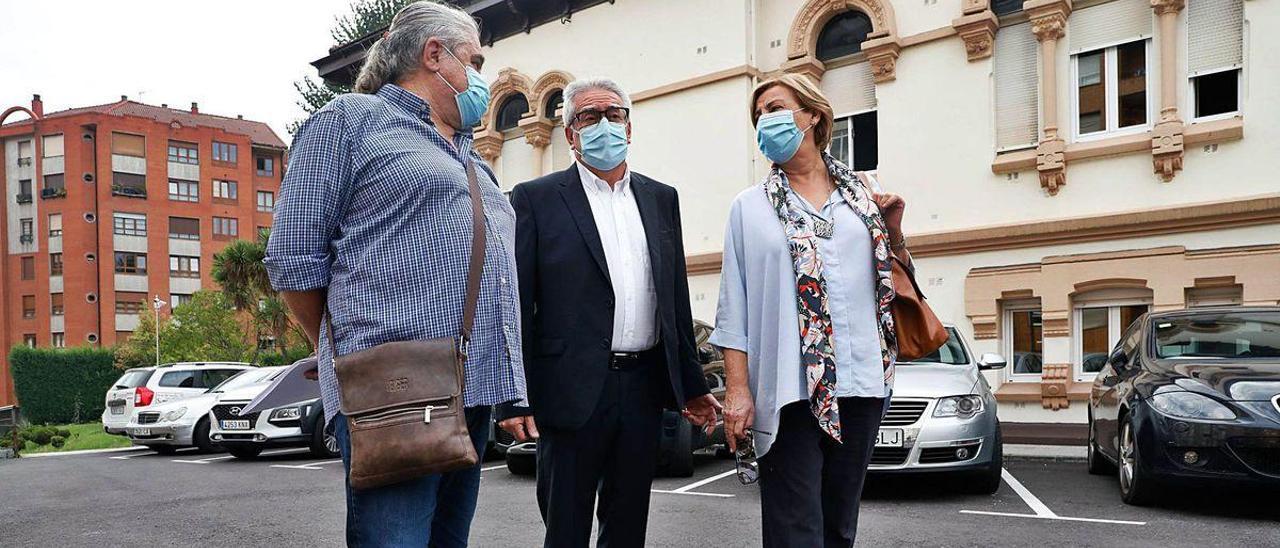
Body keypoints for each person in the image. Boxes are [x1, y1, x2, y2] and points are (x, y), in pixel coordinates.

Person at [263, 2, 526, 546]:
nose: (481, 77)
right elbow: (293, 261)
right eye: (474, 61)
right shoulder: (349, 123)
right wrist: (349, 358)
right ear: (436, 55)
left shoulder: (469, 155)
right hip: (394, 392)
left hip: (470, 390)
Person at [495, 77, 721, 548]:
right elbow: (515, 301)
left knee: (627, 525)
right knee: (566, 527)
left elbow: (674, 301)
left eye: (613, 115)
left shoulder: (662, 198)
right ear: (571, 135)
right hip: (568, 391)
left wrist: (693, 387)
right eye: (588, 117)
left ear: (630, 127)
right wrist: (514, 397)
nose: (603, 125)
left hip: (641, 389)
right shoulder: (535, 198)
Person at [710, 73, 911, 547]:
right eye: (758, 115)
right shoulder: (749, 207)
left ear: (813, 115)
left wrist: (894, 231)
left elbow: (895, 283)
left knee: (839, 526)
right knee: (794, 530)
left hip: (862, 383)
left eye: (775, 108)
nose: (765, 121)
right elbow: (732, 308)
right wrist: (737, 390)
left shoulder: (863, 197)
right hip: (788, 391)